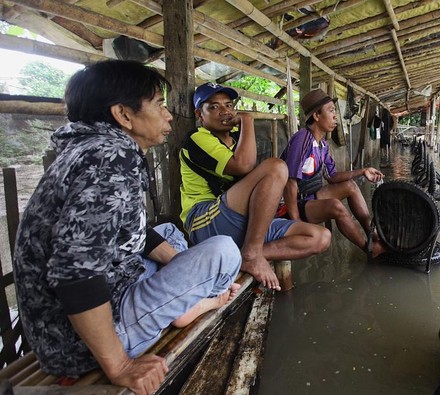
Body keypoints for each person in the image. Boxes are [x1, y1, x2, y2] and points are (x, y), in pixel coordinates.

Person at [11, 60, 241, 395]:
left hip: (80, 313)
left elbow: (123, 231)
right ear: (123, 115)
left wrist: (180, 264)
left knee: (170, 236)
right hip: (80, 345)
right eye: (159, 105)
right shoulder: (110, 157)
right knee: (224, 250)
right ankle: (197, 304)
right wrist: (120, 366)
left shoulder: (89, 148)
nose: (169, 115)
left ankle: (185, 298)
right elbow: (75, 272)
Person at [180, 83, 331, 291]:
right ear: (199, 114)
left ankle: (250, 255)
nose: (225, 111)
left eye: (229, 105)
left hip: (240, 221)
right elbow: (244, 165)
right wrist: (247, 121)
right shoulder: (197, 139)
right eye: (213, 107)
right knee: (277, 167)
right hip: (204, 221)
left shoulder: (236, 141)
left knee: (320, 238)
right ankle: (252, 253)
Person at [278, 89, 385, 256]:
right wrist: (296, 221)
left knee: (351, 186)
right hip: (290, 206)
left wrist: (363, 171)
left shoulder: (322, 145)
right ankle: (369, 249)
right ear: (316, 116)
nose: (336, 116)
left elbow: (333, 176)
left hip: (311, 196)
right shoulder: (302, 139)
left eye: (335, 110)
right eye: (331, 110)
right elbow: (290, 182)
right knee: (336, 207)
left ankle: (374, 233)